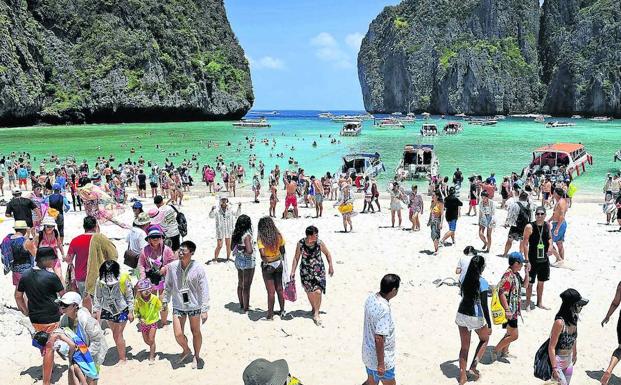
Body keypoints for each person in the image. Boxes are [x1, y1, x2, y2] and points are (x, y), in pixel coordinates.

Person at [15, 247, 65, 385]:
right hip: (50, 317)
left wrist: (25, 311)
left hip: (35, 318)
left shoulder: (25, 275)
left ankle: (49, 366)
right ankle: (47, 382)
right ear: (45, 260)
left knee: (44, 342)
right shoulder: (51, 277)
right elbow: (63, 296)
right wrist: (63, 310)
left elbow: (18, 296)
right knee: (49, 348)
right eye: (53, 258)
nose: (54, 261)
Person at [162, 240, 210, 369]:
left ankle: (197, 356)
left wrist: (204, 309)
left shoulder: (198, 268)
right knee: (178, 334)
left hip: (194, 305)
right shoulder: (172, 267)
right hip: (178, 305)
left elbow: (204, 289)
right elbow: (168, 285)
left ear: (191, 253)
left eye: (184, 250)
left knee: (195, 331)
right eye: (180, 250)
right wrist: (165, 301)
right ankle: (186, 349)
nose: (181, 252)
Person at [58, 291, 109, 384]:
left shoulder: (86, 319)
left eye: (65, 304)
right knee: (74, 375)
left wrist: (85, 356)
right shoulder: (63, 320)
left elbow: (97, 341)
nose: (61, 306)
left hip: (93, 354)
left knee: (91, 379)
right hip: (78, 354)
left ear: (74, 306)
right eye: (60, 303)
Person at [455, 255, 491, 384]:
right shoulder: (483, 282)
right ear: (482, 268)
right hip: (475, 316)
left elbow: (463, 294)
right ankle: (473, 367)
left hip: (461, 313)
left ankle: (462, 377)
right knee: (485, 339)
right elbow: (484, 305)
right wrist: (489, 324)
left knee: (464, 347)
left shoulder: (464, 278)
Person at [290, 225, 335, 326]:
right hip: (305, 272)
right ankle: (314, 308)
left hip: (319, 271)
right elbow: (296, 258)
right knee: (309, 292)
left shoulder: (319, 243)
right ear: (309, 236)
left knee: (318, 291)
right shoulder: (300, 244)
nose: (317, 236)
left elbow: (327, 254)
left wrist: (330, 265)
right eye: (316, 234)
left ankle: (316, 313)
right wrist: (292, 271)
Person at [362, 274, 400, 385]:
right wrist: (381, 364)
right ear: (393, 290)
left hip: (368, 353)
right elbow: (379, 338)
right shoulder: (384, 310)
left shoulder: (371, 298)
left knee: (371, 381)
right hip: (380, 358)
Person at [92, 260, 133, 363]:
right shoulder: (99, 281)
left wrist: (131, 311)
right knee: (117, 333)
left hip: (122, 309)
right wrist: (96, 311)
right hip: (107, 309)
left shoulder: (123, 279)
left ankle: (122, 359)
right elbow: (98, 297)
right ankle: (122, 345)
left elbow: (129, 296)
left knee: (116, 334)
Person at [545, 289, 587, 385]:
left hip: (569, 361)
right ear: (571, 305)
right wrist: (554, 368)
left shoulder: (574, 318)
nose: (580, 307)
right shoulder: (559, 323)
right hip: (558, 362)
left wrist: (575, 353)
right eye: (578, 304)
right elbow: (551, 346)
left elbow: (574, 338)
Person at [491, 252, 524, 361]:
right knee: (514, 335)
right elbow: (502, 293)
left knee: (509, 332)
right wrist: (507, 310)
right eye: (521, 263)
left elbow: (525, 285)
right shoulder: (508, 275)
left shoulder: (516, 274)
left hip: (514, 309)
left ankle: (505, 352)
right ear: (515, 263)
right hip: (509, 309)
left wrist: (528, 273)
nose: (522, 265)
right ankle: (496, 350)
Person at [139, 227, 176, 326]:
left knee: (163, 301)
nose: (155, 239)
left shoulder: (167, 250)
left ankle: (163, 322)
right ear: (149, 239)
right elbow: (141, 265)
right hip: (150, 281)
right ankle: (153, 320)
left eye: (157, 237)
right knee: (151, 302)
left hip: (164, 280)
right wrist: (143, 279)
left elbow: (173, 263)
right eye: (153, 237)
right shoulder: (144, 251)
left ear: (161, 238)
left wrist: (165, 268)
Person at [522, 206, 554, 310]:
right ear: (535, 215)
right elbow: (525, 244)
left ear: (545, 215)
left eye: (541, 214)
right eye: (537, 214)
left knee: (541, 282)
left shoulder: (547, 225)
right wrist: (526, 260)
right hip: (532, 259)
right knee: (530, 283)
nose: (539, 216)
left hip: (544, 259)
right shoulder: (529, 227)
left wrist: (550, 246)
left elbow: (549, 238)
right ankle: (527, 303)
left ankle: (539, 303)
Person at [257, 216, 286, 320]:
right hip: (278, 263)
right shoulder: (278, 235)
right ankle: (282, 311)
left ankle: (270, 315)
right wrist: (278, 257)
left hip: (269, 266)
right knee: (279, 288)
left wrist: (267, 261)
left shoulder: (261, 238)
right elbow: (282, 250)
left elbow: (262, 254)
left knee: (271, 292)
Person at [66, 216, 98, 312]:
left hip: (81, 275)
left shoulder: (76, 240)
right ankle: (98, 322)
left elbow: (69, 259)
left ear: (84, 226)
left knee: (85, 299)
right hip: (97, 274)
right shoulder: (100, 240)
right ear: (95, 226)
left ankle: (88, 319)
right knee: (97, 301)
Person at [2, 220, 36, 306]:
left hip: (15, 269)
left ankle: (24, 311)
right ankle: (29, 311)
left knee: (18, 294)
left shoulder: (8, 239)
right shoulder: (26, 241)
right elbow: (36, 254)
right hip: (26, 270)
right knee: (27, 293)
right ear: (25, 230)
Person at [134, 279, 162, 363]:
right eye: (143, 290)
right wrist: (139, 318)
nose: (146, 291)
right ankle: (152, 347)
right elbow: (136, 311)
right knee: (146, 340)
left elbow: (159, 307)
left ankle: (152, 356)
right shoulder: (137, 300)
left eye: (148, 289)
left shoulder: (154, 298)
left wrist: (162, 308)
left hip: (153, 321)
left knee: (151, 339)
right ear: (140, 291)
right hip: (143, 323)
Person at [231, 214, 255, 313]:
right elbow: (249, 251)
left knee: (240, 283)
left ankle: (241, 304)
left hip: (238, 260)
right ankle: (246, 307)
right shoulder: (247, 235)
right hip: (247, 261)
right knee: (247, 286)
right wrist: (244, 250)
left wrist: (240, 249)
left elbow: (232, 248)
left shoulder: (235, 233)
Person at [208, 196, 242, 263]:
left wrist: (239, 207)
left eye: (225, 199)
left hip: (228, 229)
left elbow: (237, 214)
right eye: (222, 199)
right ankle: (215, 259)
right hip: (220, 230)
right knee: (219, 245)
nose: (223, 201)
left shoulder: (230, 209)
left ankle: (228, 258)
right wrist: (211, 210)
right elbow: (211, 216)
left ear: (227, 200)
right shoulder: (217, 210)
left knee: (228, 245)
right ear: (220, 201)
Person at [502, 191, 531, 258]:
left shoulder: (515, 204)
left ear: (520, 197)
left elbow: (510, 214)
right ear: (526, 198)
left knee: (509, 240)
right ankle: (520, 254)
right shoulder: (529, 205)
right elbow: (531, 216)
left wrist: (507, 223)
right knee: (522, 242)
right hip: (525, 226)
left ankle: (505, 254)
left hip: (515, 225)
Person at [35, 216, 64, 282]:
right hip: (43, 260)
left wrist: (63, 254)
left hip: (54, 258)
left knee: (59, 276)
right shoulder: (39, 235)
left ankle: (62, 291)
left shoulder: (56, 233)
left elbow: (59, 244)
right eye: (48, 226)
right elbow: (35, 248)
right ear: (44, 226)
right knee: (44, 279)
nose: (50, 228)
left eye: (52, 226)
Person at [45, 183, 70, 247]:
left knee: (50, 229)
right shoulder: (63, 197)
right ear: (59, 189)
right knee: (61, 229)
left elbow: (44, 203)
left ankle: (51, 242)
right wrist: (66, 210)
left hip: (51, 215)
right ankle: (61, 243)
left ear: (53, 189)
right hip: (60, 214)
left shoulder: (49, 197)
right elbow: (67, 206)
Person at [549, 187, 568, 263]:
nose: (552, 193)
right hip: (558, 223)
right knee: (559, 243)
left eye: (553, 192)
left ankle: (559, 258)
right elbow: (555, 214)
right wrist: (549, 220)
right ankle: (560, 260)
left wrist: (557, 228)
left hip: (559, 224)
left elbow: (562, 216)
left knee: (548, 241)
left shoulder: (561, 202)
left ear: (556, 194)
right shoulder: (559, 201)